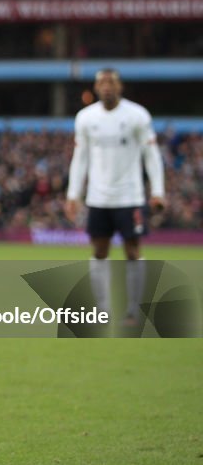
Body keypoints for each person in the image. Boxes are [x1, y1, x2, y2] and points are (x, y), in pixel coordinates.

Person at [64, 68, 166, 326]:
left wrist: (158, 191)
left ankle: (132, 311)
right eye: (102, 82)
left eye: (111, 82)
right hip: (98, 198)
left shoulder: (137, 115)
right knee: (99, 251)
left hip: (130, 196)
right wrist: (73, 194)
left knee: (132, 251)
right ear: (96, 88)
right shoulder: (86, 117)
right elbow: (81, 157)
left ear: (120, 86)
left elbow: (151, 155)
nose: (107, 86)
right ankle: (103, 310)